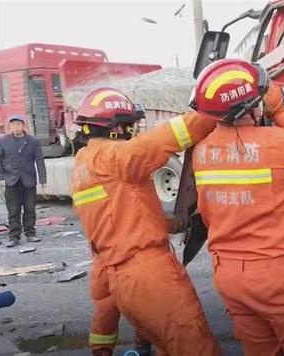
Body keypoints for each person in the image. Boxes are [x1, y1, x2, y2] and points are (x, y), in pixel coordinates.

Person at [190, 59, 284, 355]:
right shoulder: (276, 143)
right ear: (252, 105)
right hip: (276, 277)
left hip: (229, 277)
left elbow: (206, 213)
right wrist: (279, 110)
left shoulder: (201, 151)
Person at [70, 87, 221, 356]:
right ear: (118, 128)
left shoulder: (84, 164)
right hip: (148, 274)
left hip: (121, 275)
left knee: (169, 347)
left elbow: (123, 218)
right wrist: (216, 108)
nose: (134, 131)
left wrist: (174, 223)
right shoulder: (113, 157)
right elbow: (162, 141)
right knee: (196, 347)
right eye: (131, 125)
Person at [0, 115, 46, 248]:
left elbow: (39, 161)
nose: (16, 127)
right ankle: (14, 237)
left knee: (30, 209)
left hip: (29, 180)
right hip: (11, 181)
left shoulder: (32, 142)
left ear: (23, 126)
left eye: (18, 124)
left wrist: (42, 178)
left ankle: (30, 233)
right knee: (13, 211)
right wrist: (0, 177)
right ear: (10, 127)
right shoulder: (3, 142)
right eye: (13, 125)